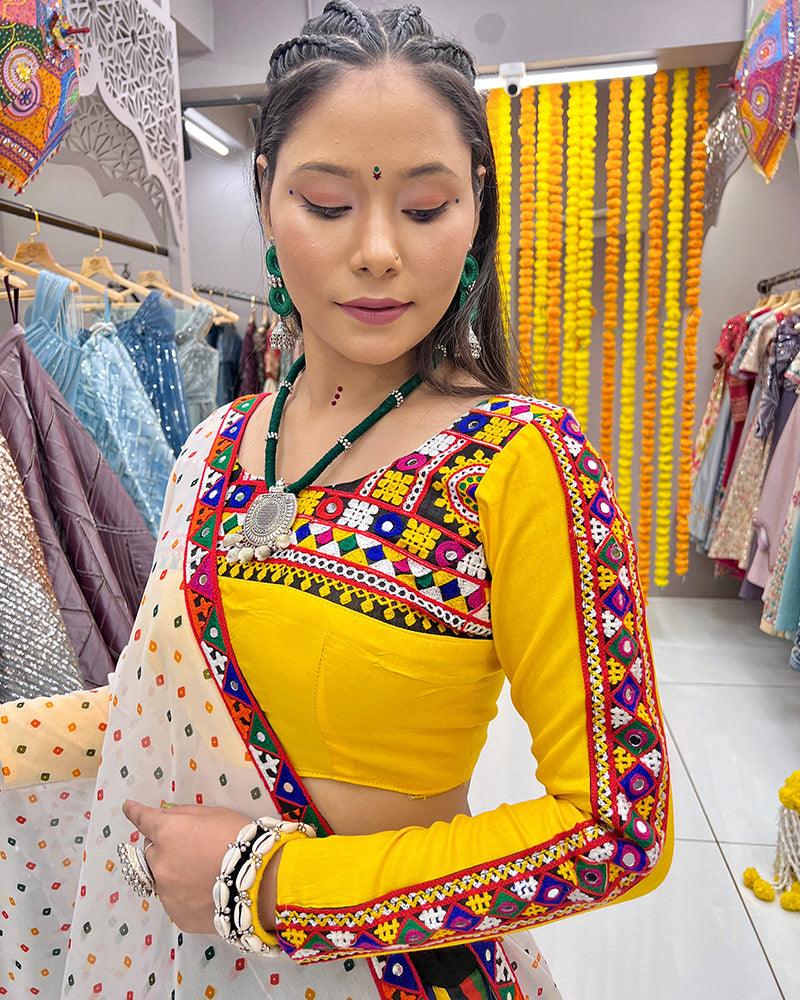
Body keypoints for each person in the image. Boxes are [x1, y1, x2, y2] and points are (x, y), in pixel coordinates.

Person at [0, 2, 674, 997]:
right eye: (325, 203)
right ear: (266, 199)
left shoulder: (520, 462)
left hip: (393, 973)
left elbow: (619, 829)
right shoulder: (212, 446)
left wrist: (270, 885)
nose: (377, 250)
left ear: (475, 216)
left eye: (425, 208)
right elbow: (168, 708)